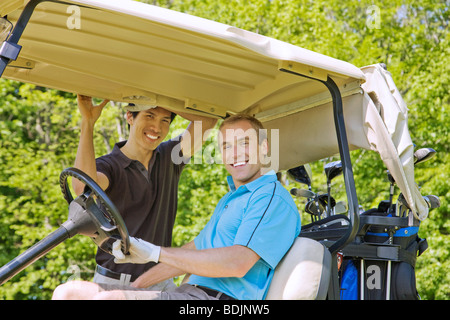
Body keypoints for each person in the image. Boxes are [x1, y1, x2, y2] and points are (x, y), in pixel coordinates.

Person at [52, 114, 301, 300]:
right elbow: (193, 250)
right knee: (70, 292)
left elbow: (237, 263)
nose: (235, 154)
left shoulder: (268, 196)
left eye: (244, 143)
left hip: (215, 300)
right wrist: (136, 288)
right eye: (226, 146)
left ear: (264, 147)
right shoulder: (233, 198)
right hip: (188, 293)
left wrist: (153, 252)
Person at [72, 95, 217, 289]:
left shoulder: (170, 157)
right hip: (115, 284)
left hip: (160, 281)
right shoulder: (109, 166)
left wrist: (156, 96)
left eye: (165, 120)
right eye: (149, 116)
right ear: (130, 117)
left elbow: (207, 121)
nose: (157, 128)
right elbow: (82, 188)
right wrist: (88, 123)